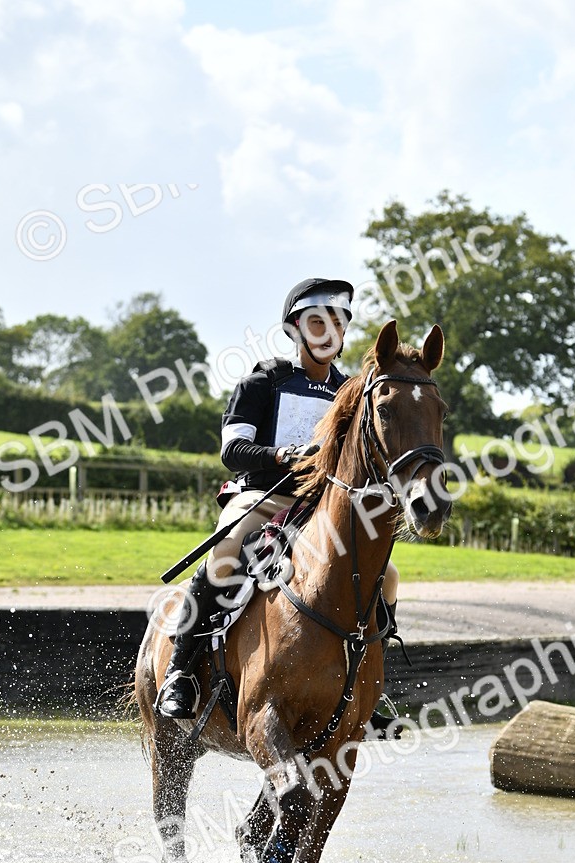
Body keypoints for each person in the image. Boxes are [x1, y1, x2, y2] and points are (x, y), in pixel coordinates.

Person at [156, 277, 399, 724]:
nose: (328, 332)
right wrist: (283, 455)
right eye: (317, 323)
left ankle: (371, 686)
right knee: (226, 556)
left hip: (321, 508)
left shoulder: (351, 393)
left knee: (388, 577)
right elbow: (232, 452)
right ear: (297, 330)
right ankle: (180, 672)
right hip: (262, 497)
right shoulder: (262, 382)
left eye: (338, 324)